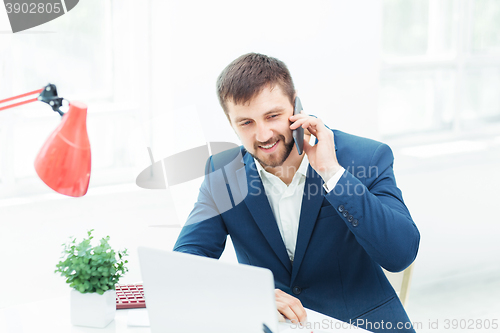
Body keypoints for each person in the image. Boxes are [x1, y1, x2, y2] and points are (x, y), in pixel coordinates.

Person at [173, 53, 420, 333]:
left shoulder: (365, 158)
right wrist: (250, 295)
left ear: (296, 105)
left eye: (273, 116)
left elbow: (400, 254)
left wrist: (332, 174)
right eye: (246, 123)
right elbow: (186, 263)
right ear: (230, 123)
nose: (263, 134)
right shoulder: (222, 174)